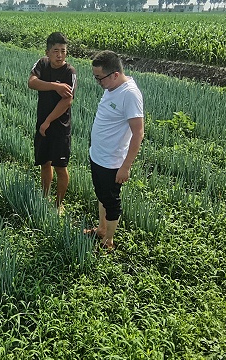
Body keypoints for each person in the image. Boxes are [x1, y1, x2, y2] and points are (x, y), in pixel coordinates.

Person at [87, 50, 144, 252]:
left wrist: (125, 167)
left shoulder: (129, 94)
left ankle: (108, 242)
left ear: (115, 75)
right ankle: (102, 229)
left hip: (112, 162)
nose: (98, 82)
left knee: (111, 201)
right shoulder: (111, 88)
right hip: (98, 155)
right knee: (101, 195)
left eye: (99, 78)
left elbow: (138, 133)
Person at [27, 32, 77, 213]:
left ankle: (59, 204)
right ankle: (44, 196)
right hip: (42, 124)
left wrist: (47, 121)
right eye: (56, 51)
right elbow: (32, 82)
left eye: (63, 51)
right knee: (44, 163)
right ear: (47, 52)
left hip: (60, 128)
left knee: (60, 167)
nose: (60, 55)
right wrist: (55, 86)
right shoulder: (42, 64)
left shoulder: (69, 72)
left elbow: (67, 101)